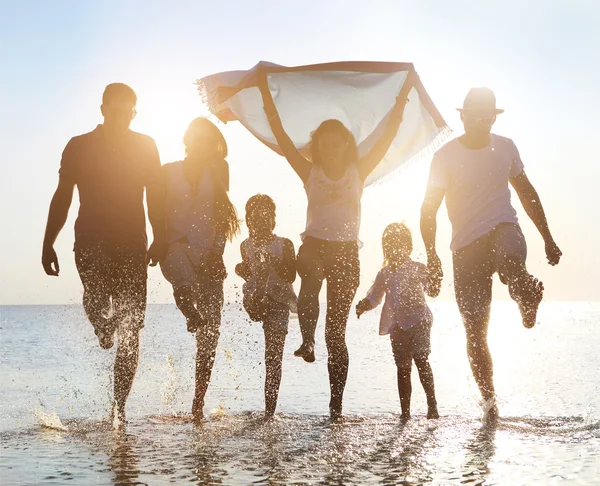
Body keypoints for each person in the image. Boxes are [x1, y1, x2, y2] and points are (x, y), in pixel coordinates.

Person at [263, 82, 412, 421]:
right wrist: (267, 100)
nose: (329, 149)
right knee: (311, 274)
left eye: (335, 144)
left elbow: (387, 136)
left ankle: (336, 407)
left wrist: (402, 100)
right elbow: (285, 143)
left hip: (346, 252)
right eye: (323, 144)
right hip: (314, 245)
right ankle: (307, 341)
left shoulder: (357, 172)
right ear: (316, 147)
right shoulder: (309, 171)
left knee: (337, 334)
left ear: (345, 145)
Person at [420, 87, 562, 421]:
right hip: (464, 248)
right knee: (475, 330)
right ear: (463, 116)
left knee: (510, 259)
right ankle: (490, 405)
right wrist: (432, 255)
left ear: (493, 117)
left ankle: (525, 292)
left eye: (488, 116)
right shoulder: (444, 156)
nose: (482, 121)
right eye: (475, 115)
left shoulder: (506, 147)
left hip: (503, 229)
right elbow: (428, 210)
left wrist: (548, 238)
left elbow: (526, 193)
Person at [41, 83, 166, 426]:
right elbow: (63, 195)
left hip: (131, 244)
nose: (121, 116)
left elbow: (155, 195)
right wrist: (48, 241)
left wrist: (161, 235)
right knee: (96, 294)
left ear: (134, 113)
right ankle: (100, 326)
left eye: (128, 111)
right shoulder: (79, 146)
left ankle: (118, 408)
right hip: (91, 239)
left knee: (131, 327)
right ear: (102, 109)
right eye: (115, 109)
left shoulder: (145, 146)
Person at [159, 117, 239, 423]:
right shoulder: (167, 171)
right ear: (187, 140)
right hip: (176, 248)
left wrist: (217, 253)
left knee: (209, 337)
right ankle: (189, 312)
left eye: (209, 141)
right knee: (184, 286)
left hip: (208, 255)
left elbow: (222, 215)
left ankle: (198, 402)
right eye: (198, 139)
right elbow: (156, 210)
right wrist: (157, 242)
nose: (203, 145)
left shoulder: (219, 170)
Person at [356, 223, 440, 420]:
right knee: (403, 368)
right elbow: (375, 297)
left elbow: (432, 290)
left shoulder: (418, 268)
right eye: (390, 245)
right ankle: (405, 412)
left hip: (420, 320)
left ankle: (432, 404)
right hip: (398, 326)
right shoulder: (384, 273)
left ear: (408, 246)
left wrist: (435, 277)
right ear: (385, 249)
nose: (394, 249)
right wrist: (363, 305)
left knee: (421, 359)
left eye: (399, 244)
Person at [235, 194, 297, 420]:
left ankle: (269, 413)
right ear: (249, 221)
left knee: (273, 357)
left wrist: (277, 264)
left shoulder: (284, 244)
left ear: (273, 220)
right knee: (256, 298)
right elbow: (248, 273)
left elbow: (291, 275)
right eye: (255, 217)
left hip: (279, 302)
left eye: (266, 216)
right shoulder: (245, 245)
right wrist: (241, 269)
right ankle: (257, 307)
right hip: (255, 297)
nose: (260, 221)